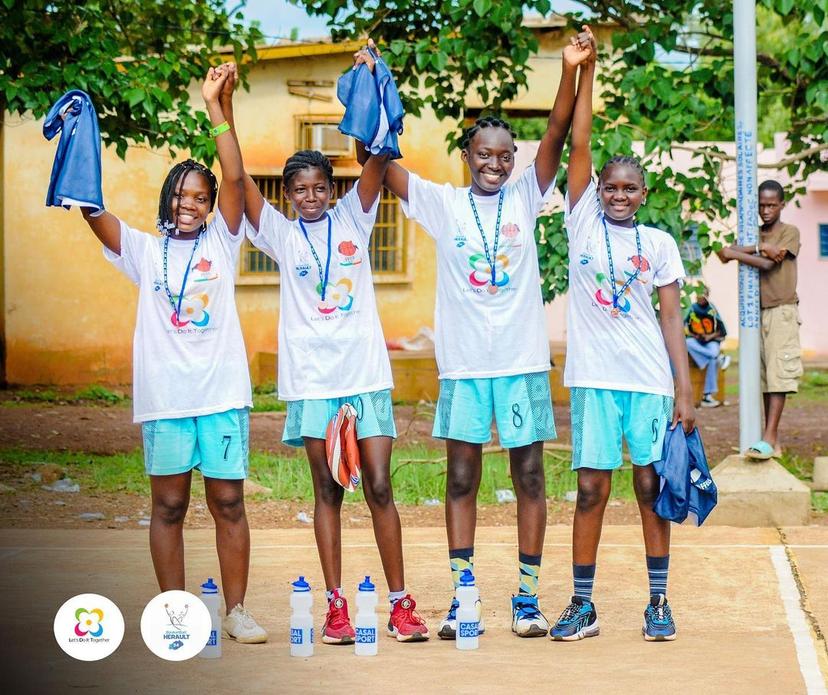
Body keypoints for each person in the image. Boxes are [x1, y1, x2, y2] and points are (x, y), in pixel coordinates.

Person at [353, 31, 595, 640]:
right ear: (467, 156)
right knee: (461, 478)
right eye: (483, 154)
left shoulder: (525, 195)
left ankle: (527, 597)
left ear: (513, 159)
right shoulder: (441, 204)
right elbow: (375, 159)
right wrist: (369, 85)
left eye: (503, 154)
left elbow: (560, 132)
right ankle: (465, 596)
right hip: (462, 368)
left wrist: (569, 70)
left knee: (530, 476)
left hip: (519, 363)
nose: (494, 163)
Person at [228, 69, 429, 645]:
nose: (311, 197)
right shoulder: (279, 236)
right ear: (286, 196)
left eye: (319, 187)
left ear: (331, 190)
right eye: (300, 190)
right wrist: (227, 116)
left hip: (364, 377)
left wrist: (374, 79)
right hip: (313, 383)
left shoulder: (354, 217)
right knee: (327, 492)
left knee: (381, 486)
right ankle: (336, 606)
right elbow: (238, 180)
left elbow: (378, 155)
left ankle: (399, 602)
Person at [79, 64, 266, 643]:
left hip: (221, 394)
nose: (190, 204)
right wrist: (79, 146)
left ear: (211, 206)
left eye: (200, 197)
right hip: (166, 399)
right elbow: (91, 210)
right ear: (168, 199)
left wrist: (217, 106)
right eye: (181, 195)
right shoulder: (142, 249)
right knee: (169, 507)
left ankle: (235, 612)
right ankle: (175, 615)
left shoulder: (222, 240)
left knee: (229, 502)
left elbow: (236, 178)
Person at [549, 27, 695, 643]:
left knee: (649, 487)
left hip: (648, 383)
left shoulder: (659, 243)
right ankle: (583, 604)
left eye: (629, 188)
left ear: (644, 193)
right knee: (590, 490)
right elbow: (578, 141)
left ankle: (657, 601)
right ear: (595, 190)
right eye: (609, 186)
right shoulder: (580, 219)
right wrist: (586, 70)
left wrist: (685, 392)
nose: (618, 195)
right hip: (594, 382)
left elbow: (670, 319)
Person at [717, 180, 802, 458]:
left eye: (771, 205)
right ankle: (770, 441)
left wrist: (738, 252)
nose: (765, 211)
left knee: (779, 374)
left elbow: (768, 263)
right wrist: (759, 247)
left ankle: (770, 436)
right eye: (761, 205)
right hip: (756, 314)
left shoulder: (790, 232)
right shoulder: (754, 234)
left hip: (782, 311)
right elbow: (723, 252)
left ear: (782, 204)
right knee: (763, 377)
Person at [685, 290, 729, 407]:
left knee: (713, 354)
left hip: (710, 341)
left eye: (704, 294)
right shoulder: (692, 309)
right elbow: (684, 327)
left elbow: (722, 330)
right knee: (687, 342)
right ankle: (719, 358)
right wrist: (694, 335)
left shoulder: (711, 309)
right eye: (699, 294)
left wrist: (710, 336)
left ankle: (707, 396)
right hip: (696, 341)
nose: (701, 297)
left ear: (707, 295)